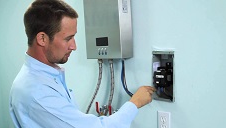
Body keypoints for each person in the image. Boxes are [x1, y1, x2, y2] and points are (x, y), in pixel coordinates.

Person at [9, 0, 156, 128]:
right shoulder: (36, 92)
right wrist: (134, 103)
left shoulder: (46, 76)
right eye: (68, 38)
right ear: (42, 39)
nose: (74, 46)